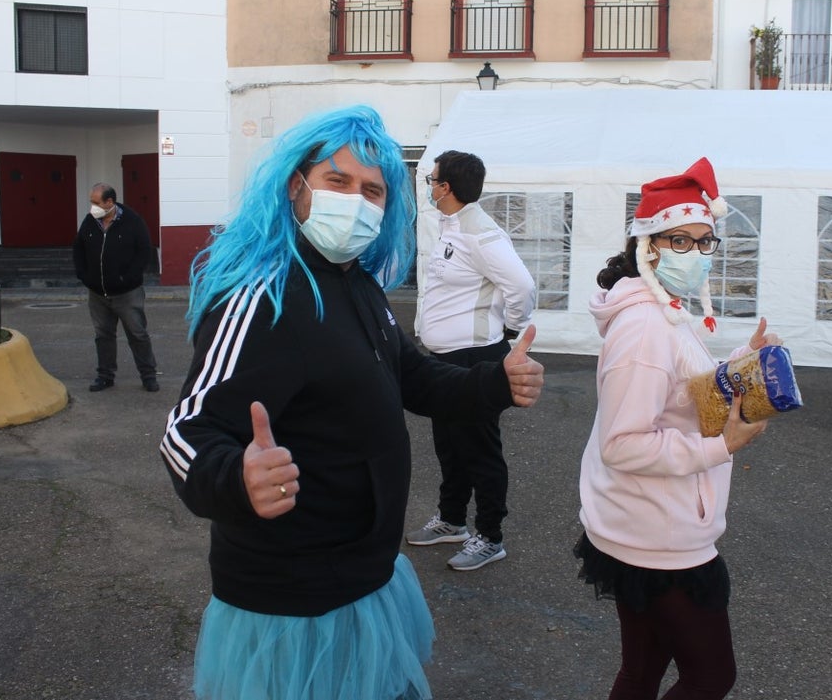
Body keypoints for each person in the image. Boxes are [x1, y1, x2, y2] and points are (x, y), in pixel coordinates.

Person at [158, 105, 544, 700]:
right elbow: (188, 431)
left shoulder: (357, 282)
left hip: (366, 574)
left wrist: (495, 381)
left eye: (373, 190)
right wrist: (235, 477)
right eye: (338, 182)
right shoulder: (263, 295)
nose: (357, 201)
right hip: (293, 600)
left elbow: (413, 378)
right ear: (296, 187)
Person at [575, 157, 781, 700]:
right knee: (711, 676)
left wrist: (743, 359)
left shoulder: (663, 310)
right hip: (657, 535)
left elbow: (682, 387)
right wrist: (720, 444)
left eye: (704, 241)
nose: (695, 255)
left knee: (640, 674)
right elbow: (623, 442)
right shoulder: (645, 326)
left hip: (642, 524)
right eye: (679, 242)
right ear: (648, 247)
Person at [407, 150, 536, 571]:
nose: (429, 185)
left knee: (480, 449)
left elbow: (521, 285)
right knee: (449, 446)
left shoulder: (481, 232)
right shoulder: (449, 224)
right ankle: (451, 520)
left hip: (475, 358)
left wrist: (511, 330)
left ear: (445, 188)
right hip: (444, 359)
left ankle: (490, 536)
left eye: (433, 179)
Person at [72, 182, 159, 392]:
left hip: (127, 293)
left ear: (109, 202)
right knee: (103, 336)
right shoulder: (90, 221)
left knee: (137, 334)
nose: (92, 207)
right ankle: (105, 376)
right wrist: (84, 276)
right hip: (98, 293)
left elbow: (144, 252)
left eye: (96, 202)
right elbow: (79, 248)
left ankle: (148, 376)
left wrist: (127, 278)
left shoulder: (132, 221)